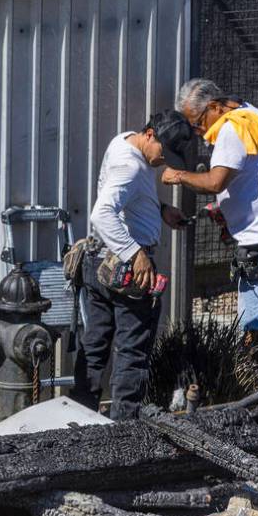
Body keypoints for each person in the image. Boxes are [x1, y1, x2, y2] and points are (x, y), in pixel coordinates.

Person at [162, 78, 258, 373]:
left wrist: (178, 175)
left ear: (214, 106)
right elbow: (257, 179)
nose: (199, 132)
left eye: (198, 123)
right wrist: (226, 211)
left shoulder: (231, 128)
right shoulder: (252, 114)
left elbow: (215, 181)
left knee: (257, 318)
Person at [70, 110, 193, 420]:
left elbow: (127, 198)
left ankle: (78, 420)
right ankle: (123, 430)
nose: (164, 161)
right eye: (164, 152)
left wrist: (159, 208)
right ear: (150, 134)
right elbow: (102, 214)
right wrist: (135, 253)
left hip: (99, 260)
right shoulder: (131, 164)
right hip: (125, 269)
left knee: (95, 344)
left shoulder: (125, 142)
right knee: (132, 351)